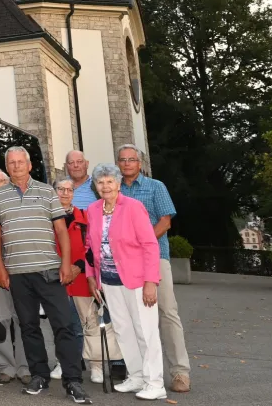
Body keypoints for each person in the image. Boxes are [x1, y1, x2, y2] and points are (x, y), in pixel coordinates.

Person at [0, 147, 92, 404]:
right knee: (28, 327)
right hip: (17, 273)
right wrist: (0, 269)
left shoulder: (47, 191)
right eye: (11, 163)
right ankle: (39, 376)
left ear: (29, 165)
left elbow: (61, 230)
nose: (16, 166)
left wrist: (66, 264)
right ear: (7, 166)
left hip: (49, 270)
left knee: (64, 325)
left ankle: (73, 380)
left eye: (20, 162)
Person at [86, 164, 165, 401]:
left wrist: (151, 281)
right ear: (95, 186)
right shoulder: (93, 209)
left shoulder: (133, 207)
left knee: (145, 331)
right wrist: (92, 276)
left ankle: (155, 382)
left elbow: (150, 245)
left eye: (110, 181)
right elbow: (90, 247)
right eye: (101, 182)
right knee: (123, 330)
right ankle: (137, 376)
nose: (105, 186)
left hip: (137, 280)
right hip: (109, 281)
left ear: (119, 184)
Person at [116, 145, 190, 394]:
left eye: (132, 159)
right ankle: (140, 372)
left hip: (156, 257)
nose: (127, 163)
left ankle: (180, 371)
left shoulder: (155, 186)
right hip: (125, 263)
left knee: (167, 312)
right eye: (122, 160)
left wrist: (141, 244)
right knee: (133, 318)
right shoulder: (113, 190)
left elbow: (165, 222)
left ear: (140, 163)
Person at [55, 178, 121, 385]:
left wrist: (78, 267)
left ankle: (96, 365)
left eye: (69, 189)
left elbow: (93, 247)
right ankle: (63, 363)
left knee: (90, 323)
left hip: (82, 278)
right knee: (63, 325)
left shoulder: (84, 217)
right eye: (60, 189)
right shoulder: (46, 217)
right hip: (57, 278)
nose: (65, 193)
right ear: (54, 192)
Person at [0, 168, 31, 384]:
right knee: (0, 319)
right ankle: (5, 367)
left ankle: (25, 367)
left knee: (23, 319)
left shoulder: (22, 203)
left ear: (8, 182)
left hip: (21, 270)